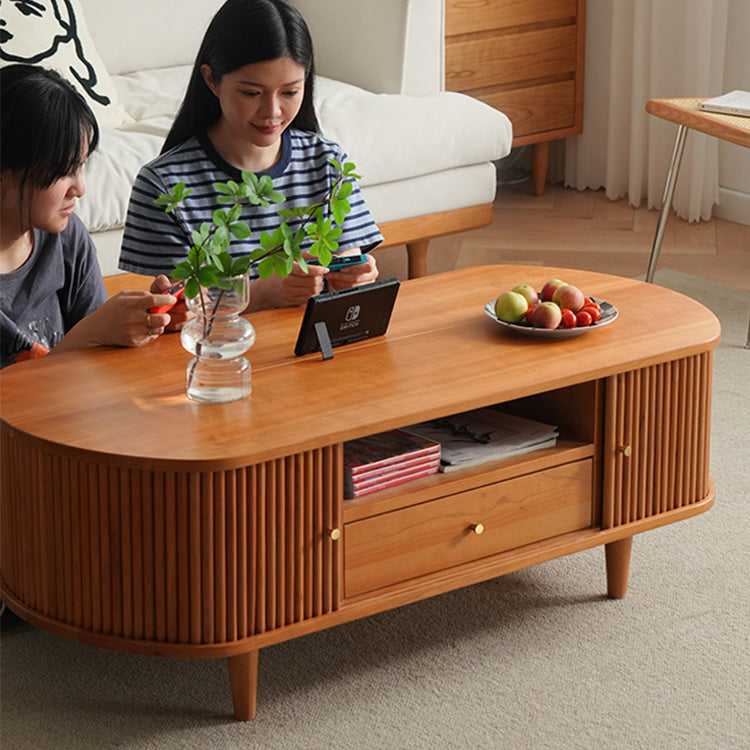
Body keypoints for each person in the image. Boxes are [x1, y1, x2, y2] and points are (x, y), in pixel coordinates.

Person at [118, 0, 382, 311]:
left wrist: (356, 277)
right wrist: (258, 296)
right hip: (218, 354)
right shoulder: (164, 187)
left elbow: (348, 268)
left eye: (289, 92)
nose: (272, 112)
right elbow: (167, 316)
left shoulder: (327, 163)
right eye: (251, 93)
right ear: (212, 80)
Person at [0, 64, 181, 370]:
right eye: (64, 171)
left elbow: (102, 363)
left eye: (82, 166)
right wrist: (88, 336)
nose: (80, 189)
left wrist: (149, 320)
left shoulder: (66, 237)